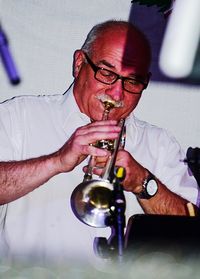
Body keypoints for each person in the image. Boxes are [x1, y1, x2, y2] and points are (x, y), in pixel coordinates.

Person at [0, 20, 199, 266]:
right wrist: (56, 161)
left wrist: (143, 182)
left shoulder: (159, 144)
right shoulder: (19, 116)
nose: (117, 94)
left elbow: (192, 232)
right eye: (106, 73)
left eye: (133, 81)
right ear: (79, 63)